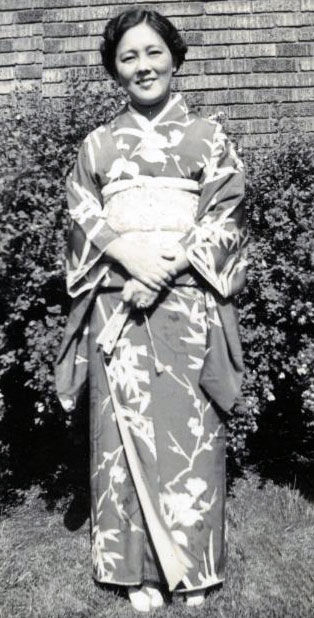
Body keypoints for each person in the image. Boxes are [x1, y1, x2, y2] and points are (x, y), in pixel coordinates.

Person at [56, 8, 248, 613]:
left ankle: (192, 569)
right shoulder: (98, 144)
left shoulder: (208, 136)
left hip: (187, 303)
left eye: (153, 52)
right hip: (117, 303)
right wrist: (129, 258)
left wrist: (165, 267)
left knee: (190, 433)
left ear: (174, 55)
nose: (143, 66)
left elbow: (228, 213)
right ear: (115, 70)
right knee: (122, 436)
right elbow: (82, 214)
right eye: (128, 57)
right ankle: (137, 572)